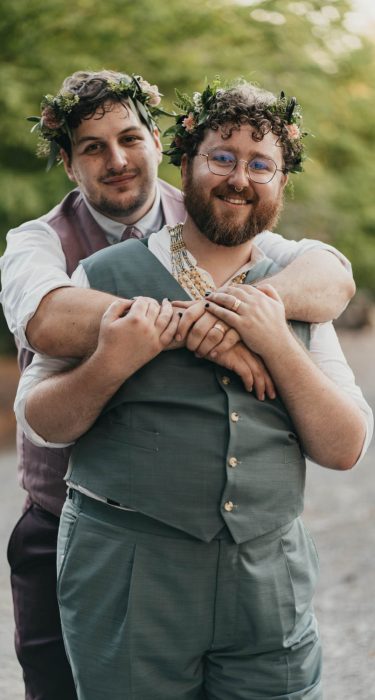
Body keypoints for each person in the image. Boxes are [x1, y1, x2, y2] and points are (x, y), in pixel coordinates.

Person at [13, 78, 373, 700]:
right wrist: (167, 334)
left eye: (262, 164)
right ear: (189, 161)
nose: (239, 177)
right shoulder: (62, 255)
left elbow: (345, 443)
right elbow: (42, 356)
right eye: (223, 158)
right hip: (122, 563)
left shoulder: (289, 270)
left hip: (269, 575)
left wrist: (271, 335)